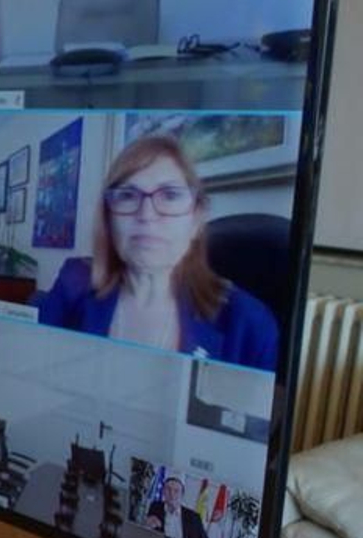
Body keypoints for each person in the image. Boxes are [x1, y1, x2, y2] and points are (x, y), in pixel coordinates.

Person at [37, 135, 280, 370]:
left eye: (170, 195)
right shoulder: (73, 284)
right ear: (108, 219)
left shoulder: (250, 326)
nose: (146, 215)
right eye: (128, 195)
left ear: (196, 220)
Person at [145, 476, 211, 538]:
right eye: (168, 489)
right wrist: (147, 525)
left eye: (176, 491)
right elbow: (147, 533)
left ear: (182, 494)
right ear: (163, 492)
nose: (172, 494)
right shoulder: (155, 507)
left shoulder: (193, 517)